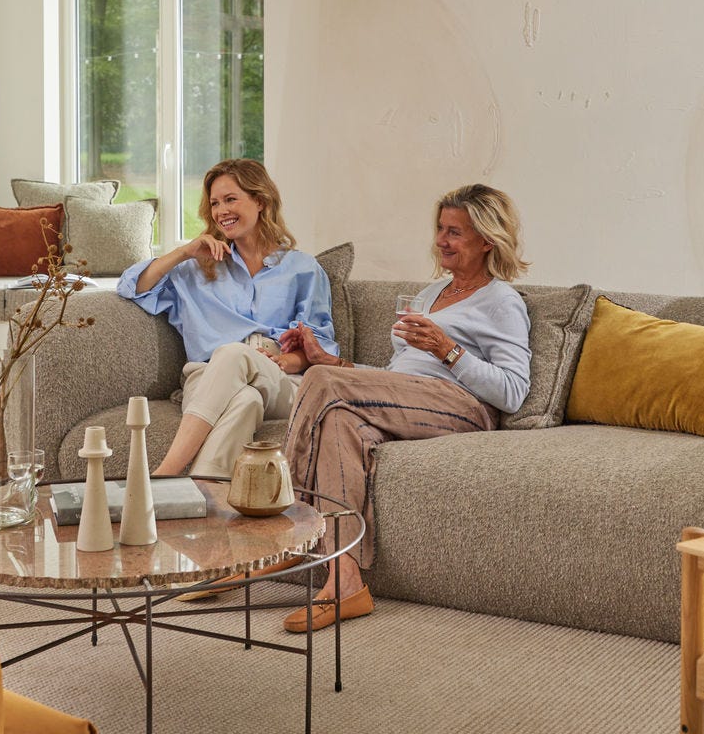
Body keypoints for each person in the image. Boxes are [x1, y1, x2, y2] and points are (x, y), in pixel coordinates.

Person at [279, 183, 532, 633]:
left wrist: (448, 349)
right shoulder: (432, 291)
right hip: (408, 398)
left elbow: (512, 391)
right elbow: (396, 374)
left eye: (455, 232)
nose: (441, 240)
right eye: (440, 229)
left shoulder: (502, 301)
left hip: (460, 407)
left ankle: (283, 535)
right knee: (337, 418)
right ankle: (345, 582)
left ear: (487, 240)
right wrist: (334, 363)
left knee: (320, 385)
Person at [117, 158, 340, 482]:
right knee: (245, 400)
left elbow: (320, 345)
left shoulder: (303, 268)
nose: (221, 211)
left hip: (278, 377)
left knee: (236, 355)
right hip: (208, 376)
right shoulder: (197, 266)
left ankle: (163, 477)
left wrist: (286, 360)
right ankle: (204, 502)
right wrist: (184, 252)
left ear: (260, 201)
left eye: (231, 199)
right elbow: (130, 288)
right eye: (215, 203)